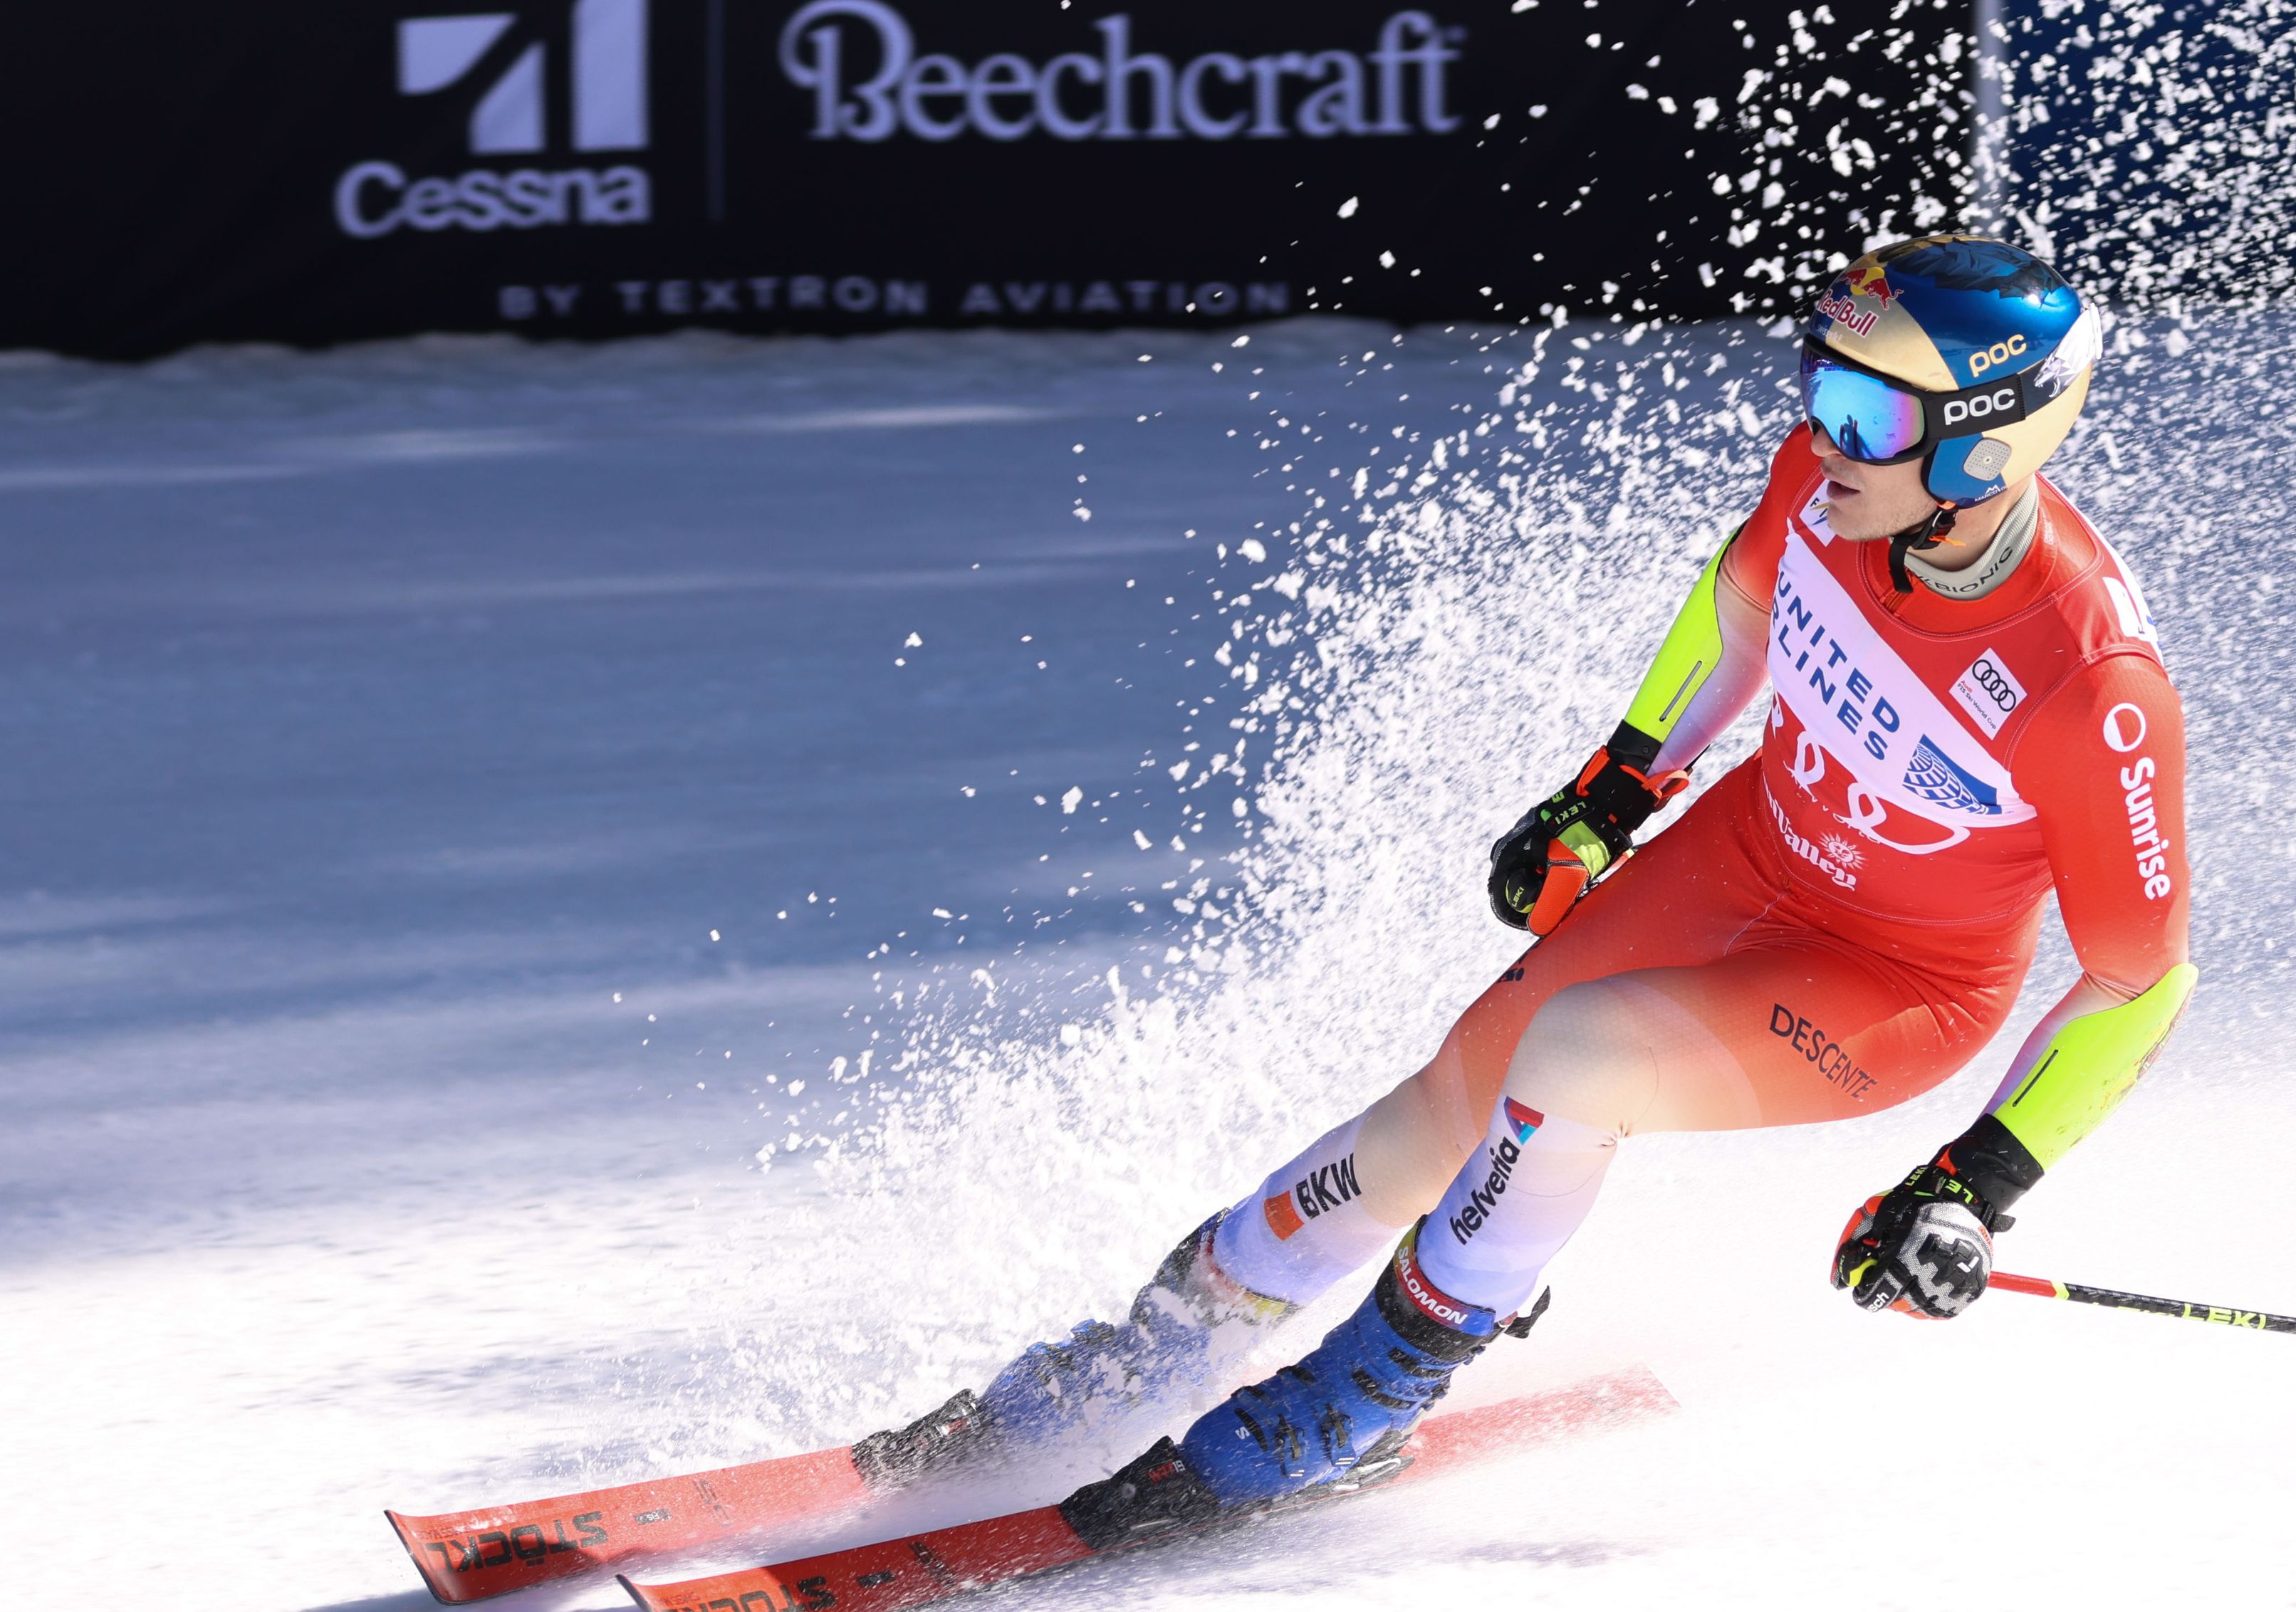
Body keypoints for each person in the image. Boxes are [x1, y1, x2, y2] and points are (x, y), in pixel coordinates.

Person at [854, 234, 2196, 1546]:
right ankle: (1149, 1357)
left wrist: (1974, 1180)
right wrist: (1615, 790)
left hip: (1895, 985)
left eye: (1863, 407)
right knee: (1451, 1099)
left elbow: (2142, 976)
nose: (1821, 433)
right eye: (1815, 383)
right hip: (1753, 855)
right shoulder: (1827, 486)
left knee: (1571, 1064)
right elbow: (1739, 611)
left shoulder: (2091, 687)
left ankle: (1378, 1391)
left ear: (1985, 445)